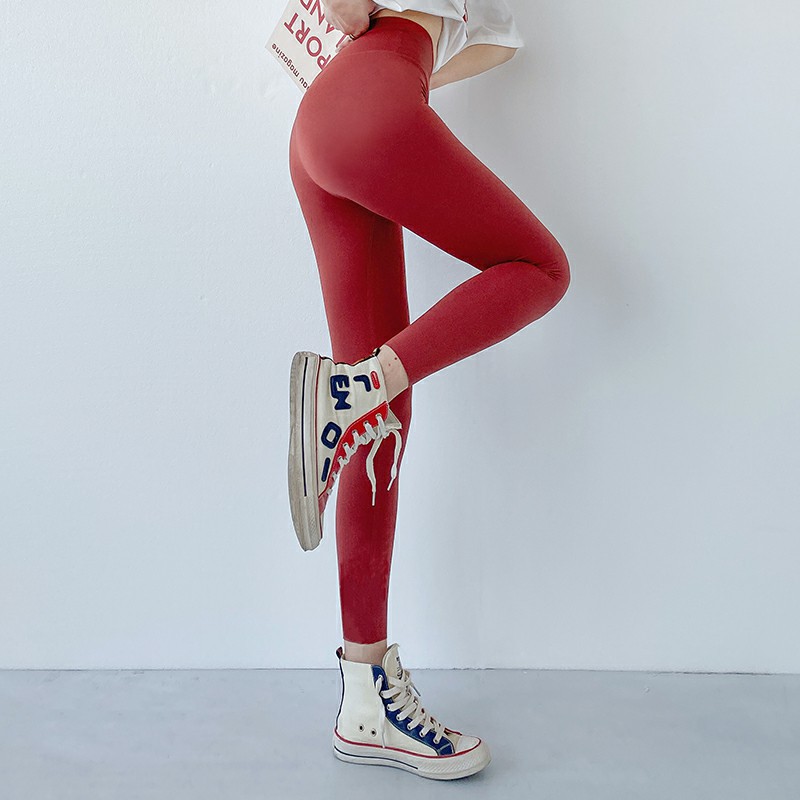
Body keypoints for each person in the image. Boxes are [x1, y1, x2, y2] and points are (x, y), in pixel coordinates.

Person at [286, 0, 570, 780]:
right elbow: (351, 12)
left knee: (379, 417)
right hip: (369, 99)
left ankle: (364, 703)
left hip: (340, 112)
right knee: (541, 269)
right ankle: (352, 388)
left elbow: (501, 44)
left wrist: (410, 84)